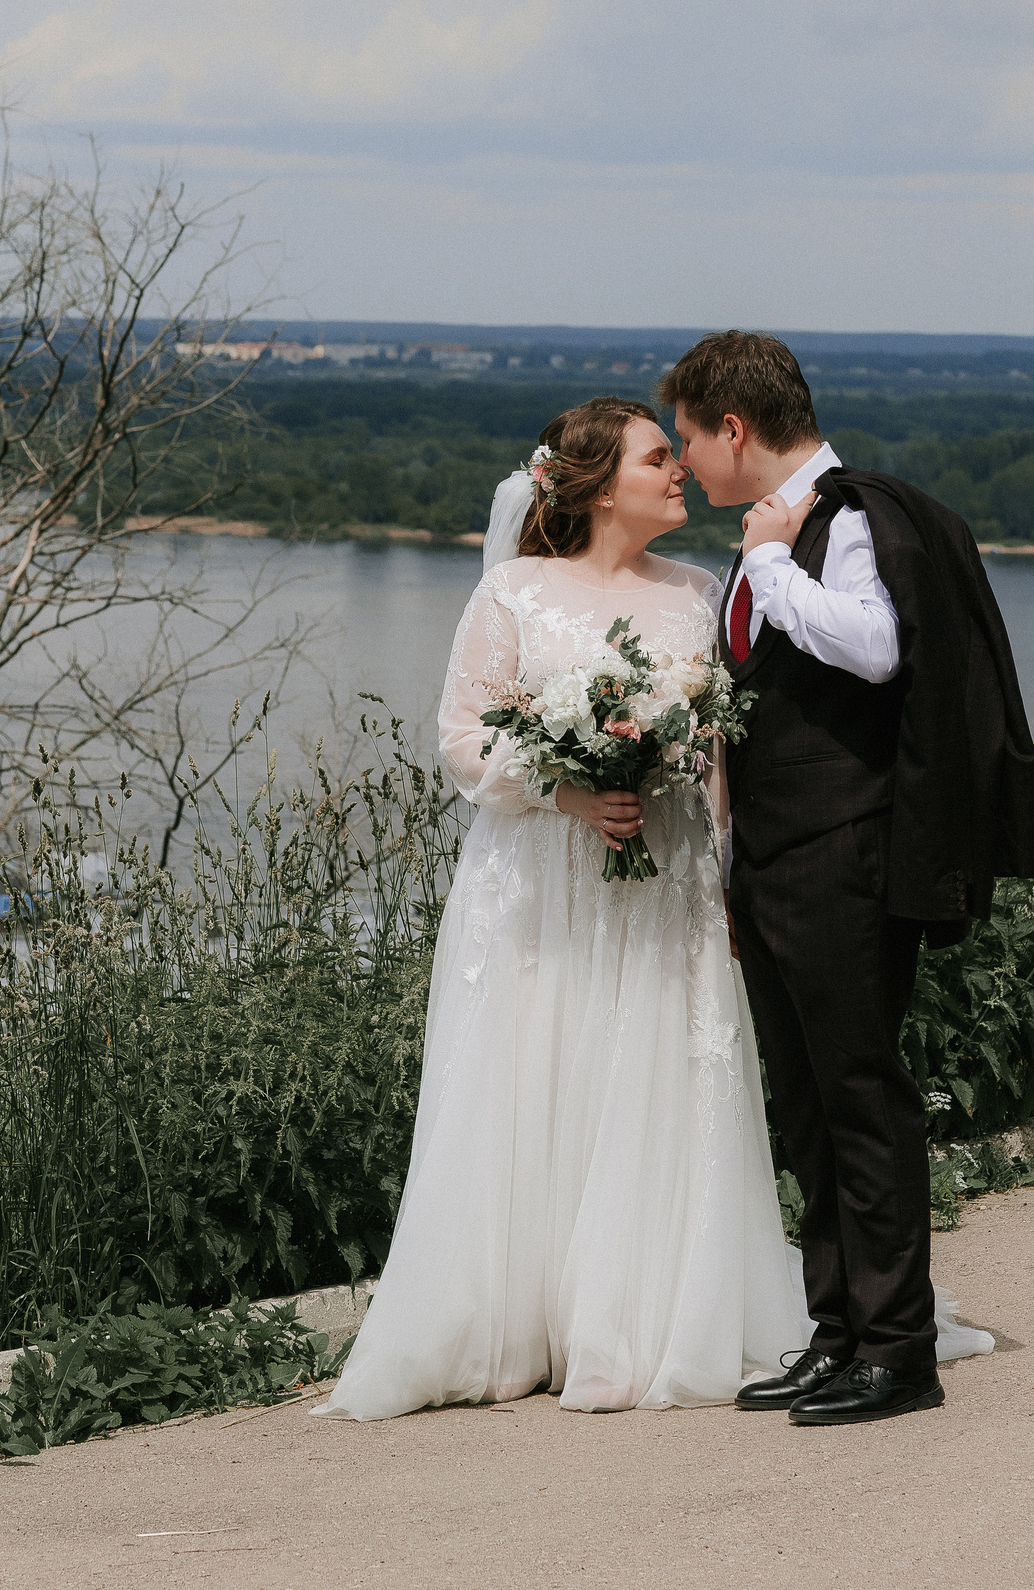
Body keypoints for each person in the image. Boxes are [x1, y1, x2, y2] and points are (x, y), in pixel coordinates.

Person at [316, 398, 995, 1423]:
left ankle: (635, 1324)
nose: (676, 471)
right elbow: (461, 738)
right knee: (535, 1076)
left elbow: (726, 752)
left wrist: (729, 868)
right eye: (653, 459)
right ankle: (515, 1325)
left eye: (676, 452)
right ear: (593, 488)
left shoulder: (695, 591)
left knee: (654, 1084)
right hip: (548, 881)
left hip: (666, 879)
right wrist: (571, 788)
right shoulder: (514, 592)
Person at [663, 330, 1034, 1425]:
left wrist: (775, 561)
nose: (686, 460)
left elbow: (874, 649)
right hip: (773, 861)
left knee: (863, 1098)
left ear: (735, 428)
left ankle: (898, 1353)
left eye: (689, 438)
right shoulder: (774, 530)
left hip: (847, 857)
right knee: (808, 1108)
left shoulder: (850, 519)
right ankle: (834, 1335)